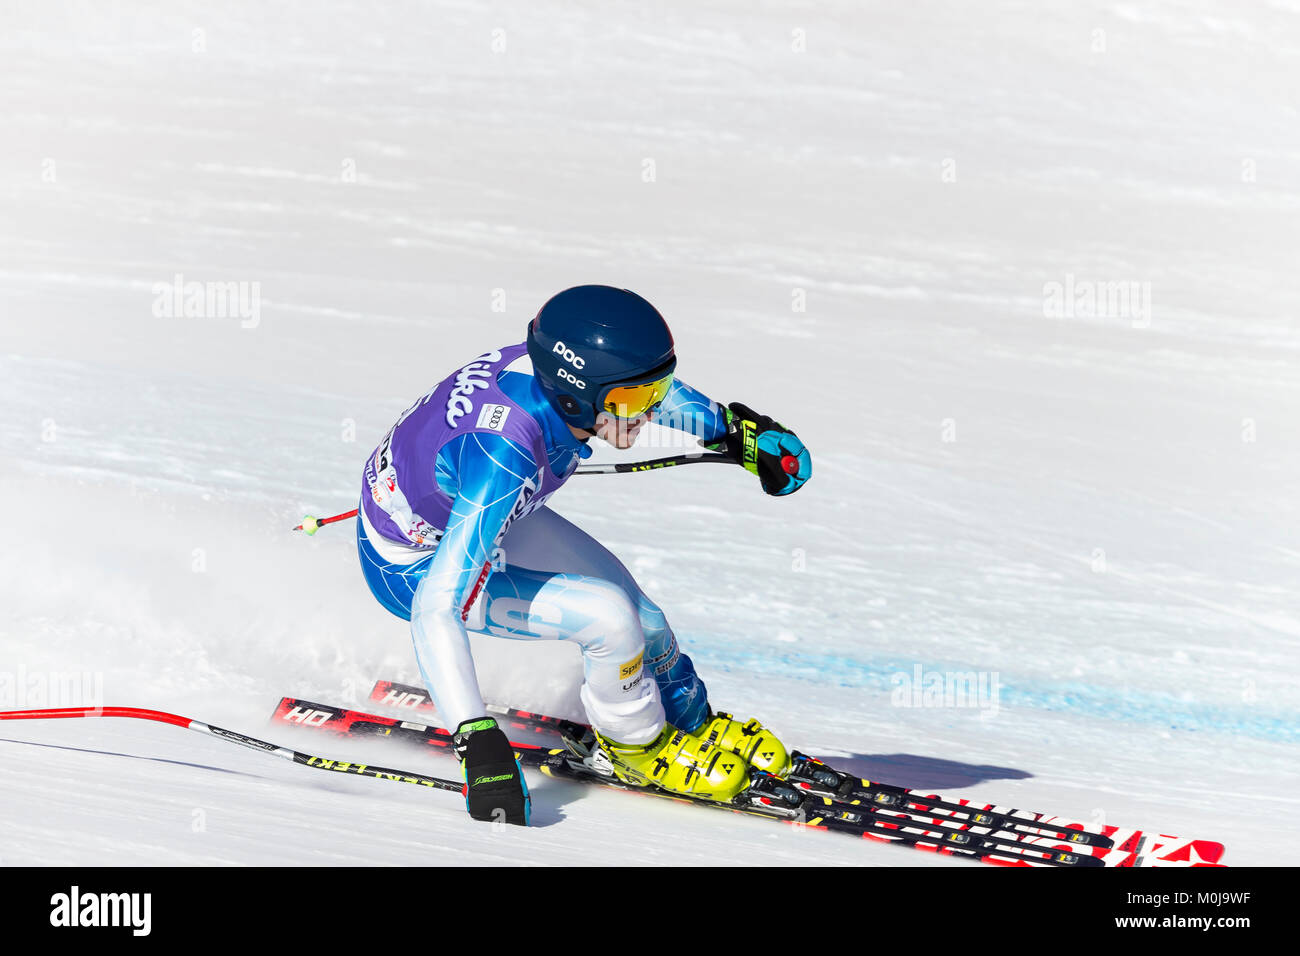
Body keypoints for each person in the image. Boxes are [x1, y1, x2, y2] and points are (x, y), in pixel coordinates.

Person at [356, 285, 812, 825]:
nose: (647, 413)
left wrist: (735, 434)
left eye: (653, 393)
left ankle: (690, 722)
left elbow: (644, 387)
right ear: (574, 394)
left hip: (480, 513)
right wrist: (475, 738)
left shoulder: (560, 373)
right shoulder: (502, 455)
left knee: (643, 616)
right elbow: (436, 606)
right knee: (609, 619)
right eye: (631, 405)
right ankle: (636, 747)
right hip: (411, 566)